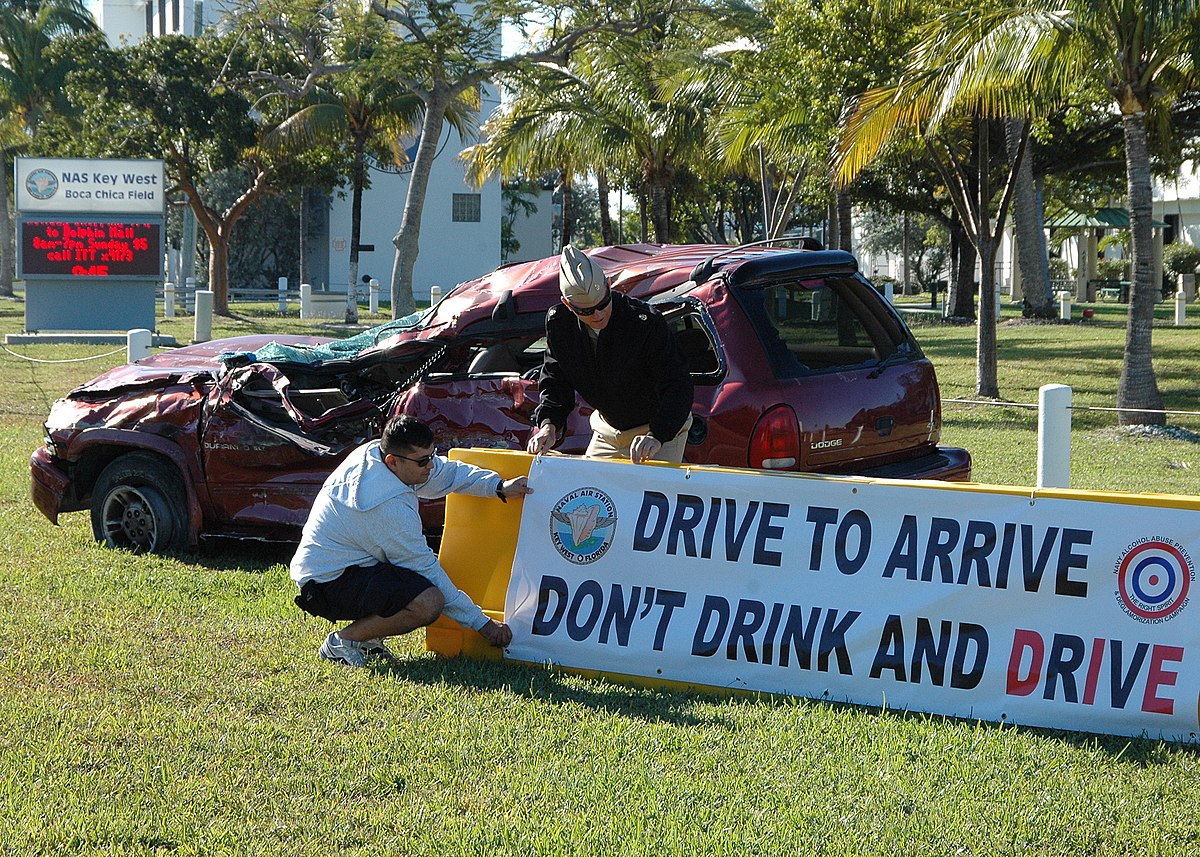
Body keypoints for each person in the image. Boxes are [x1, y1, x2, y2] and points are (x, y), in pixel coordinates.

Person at [291, 415, 531, 667]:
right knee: (428, 602)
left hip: (344, 567)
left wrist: (498, 486)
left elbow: (446, 472)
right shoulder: (385, 507)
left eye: (431, 455)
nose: (430, 465)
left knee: (412, 586)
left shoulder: (377, 453)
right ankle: (343, 642)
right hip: (324, 585)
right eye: (423, 461)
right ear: (392, 462)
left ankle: (367, 640)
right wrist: (483, 624)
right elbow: (427, 571)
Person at [526, 245, 694, 464]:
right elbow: (555, 381)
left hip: (658, 428)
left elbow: (677, 383)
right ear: (568, 305)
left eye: (603, 304)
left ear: (608, 286)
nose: (598, 314)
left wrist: (657, 435)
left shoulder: (644, 322)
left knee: (647, 492)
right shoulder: (560, 325)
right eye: (586, 311)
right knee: (593, 491)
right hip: (608, 430)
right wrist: (549, 425)